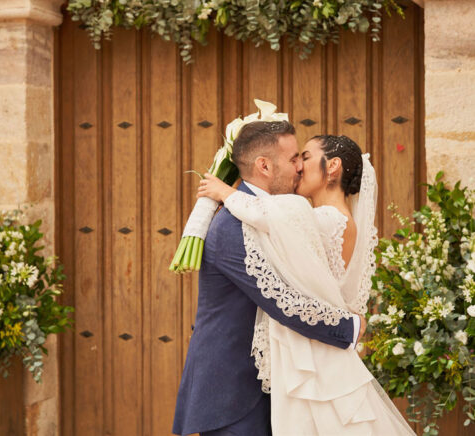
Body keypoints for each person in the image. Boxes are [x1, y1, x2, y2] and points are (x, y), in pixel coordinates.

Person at [196, 132, 416, 435]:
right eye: (295, 158)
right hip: (315, 347)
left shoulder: (324, 219)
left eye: (306, 157)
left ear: (333, 167)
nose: (299, 166)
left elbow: (269, 216)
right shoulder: (333, 218)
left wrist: (225, 191)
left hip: (310, 353)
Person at [172, 122, 366, 436]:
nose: (300, 167)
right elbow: (279, 299)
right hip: (232, 395)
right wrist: (349, 327)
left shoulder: (271, 214)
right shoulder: (232, 225)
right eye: (293, 159)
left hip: (265, 388)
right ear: (264, 165)